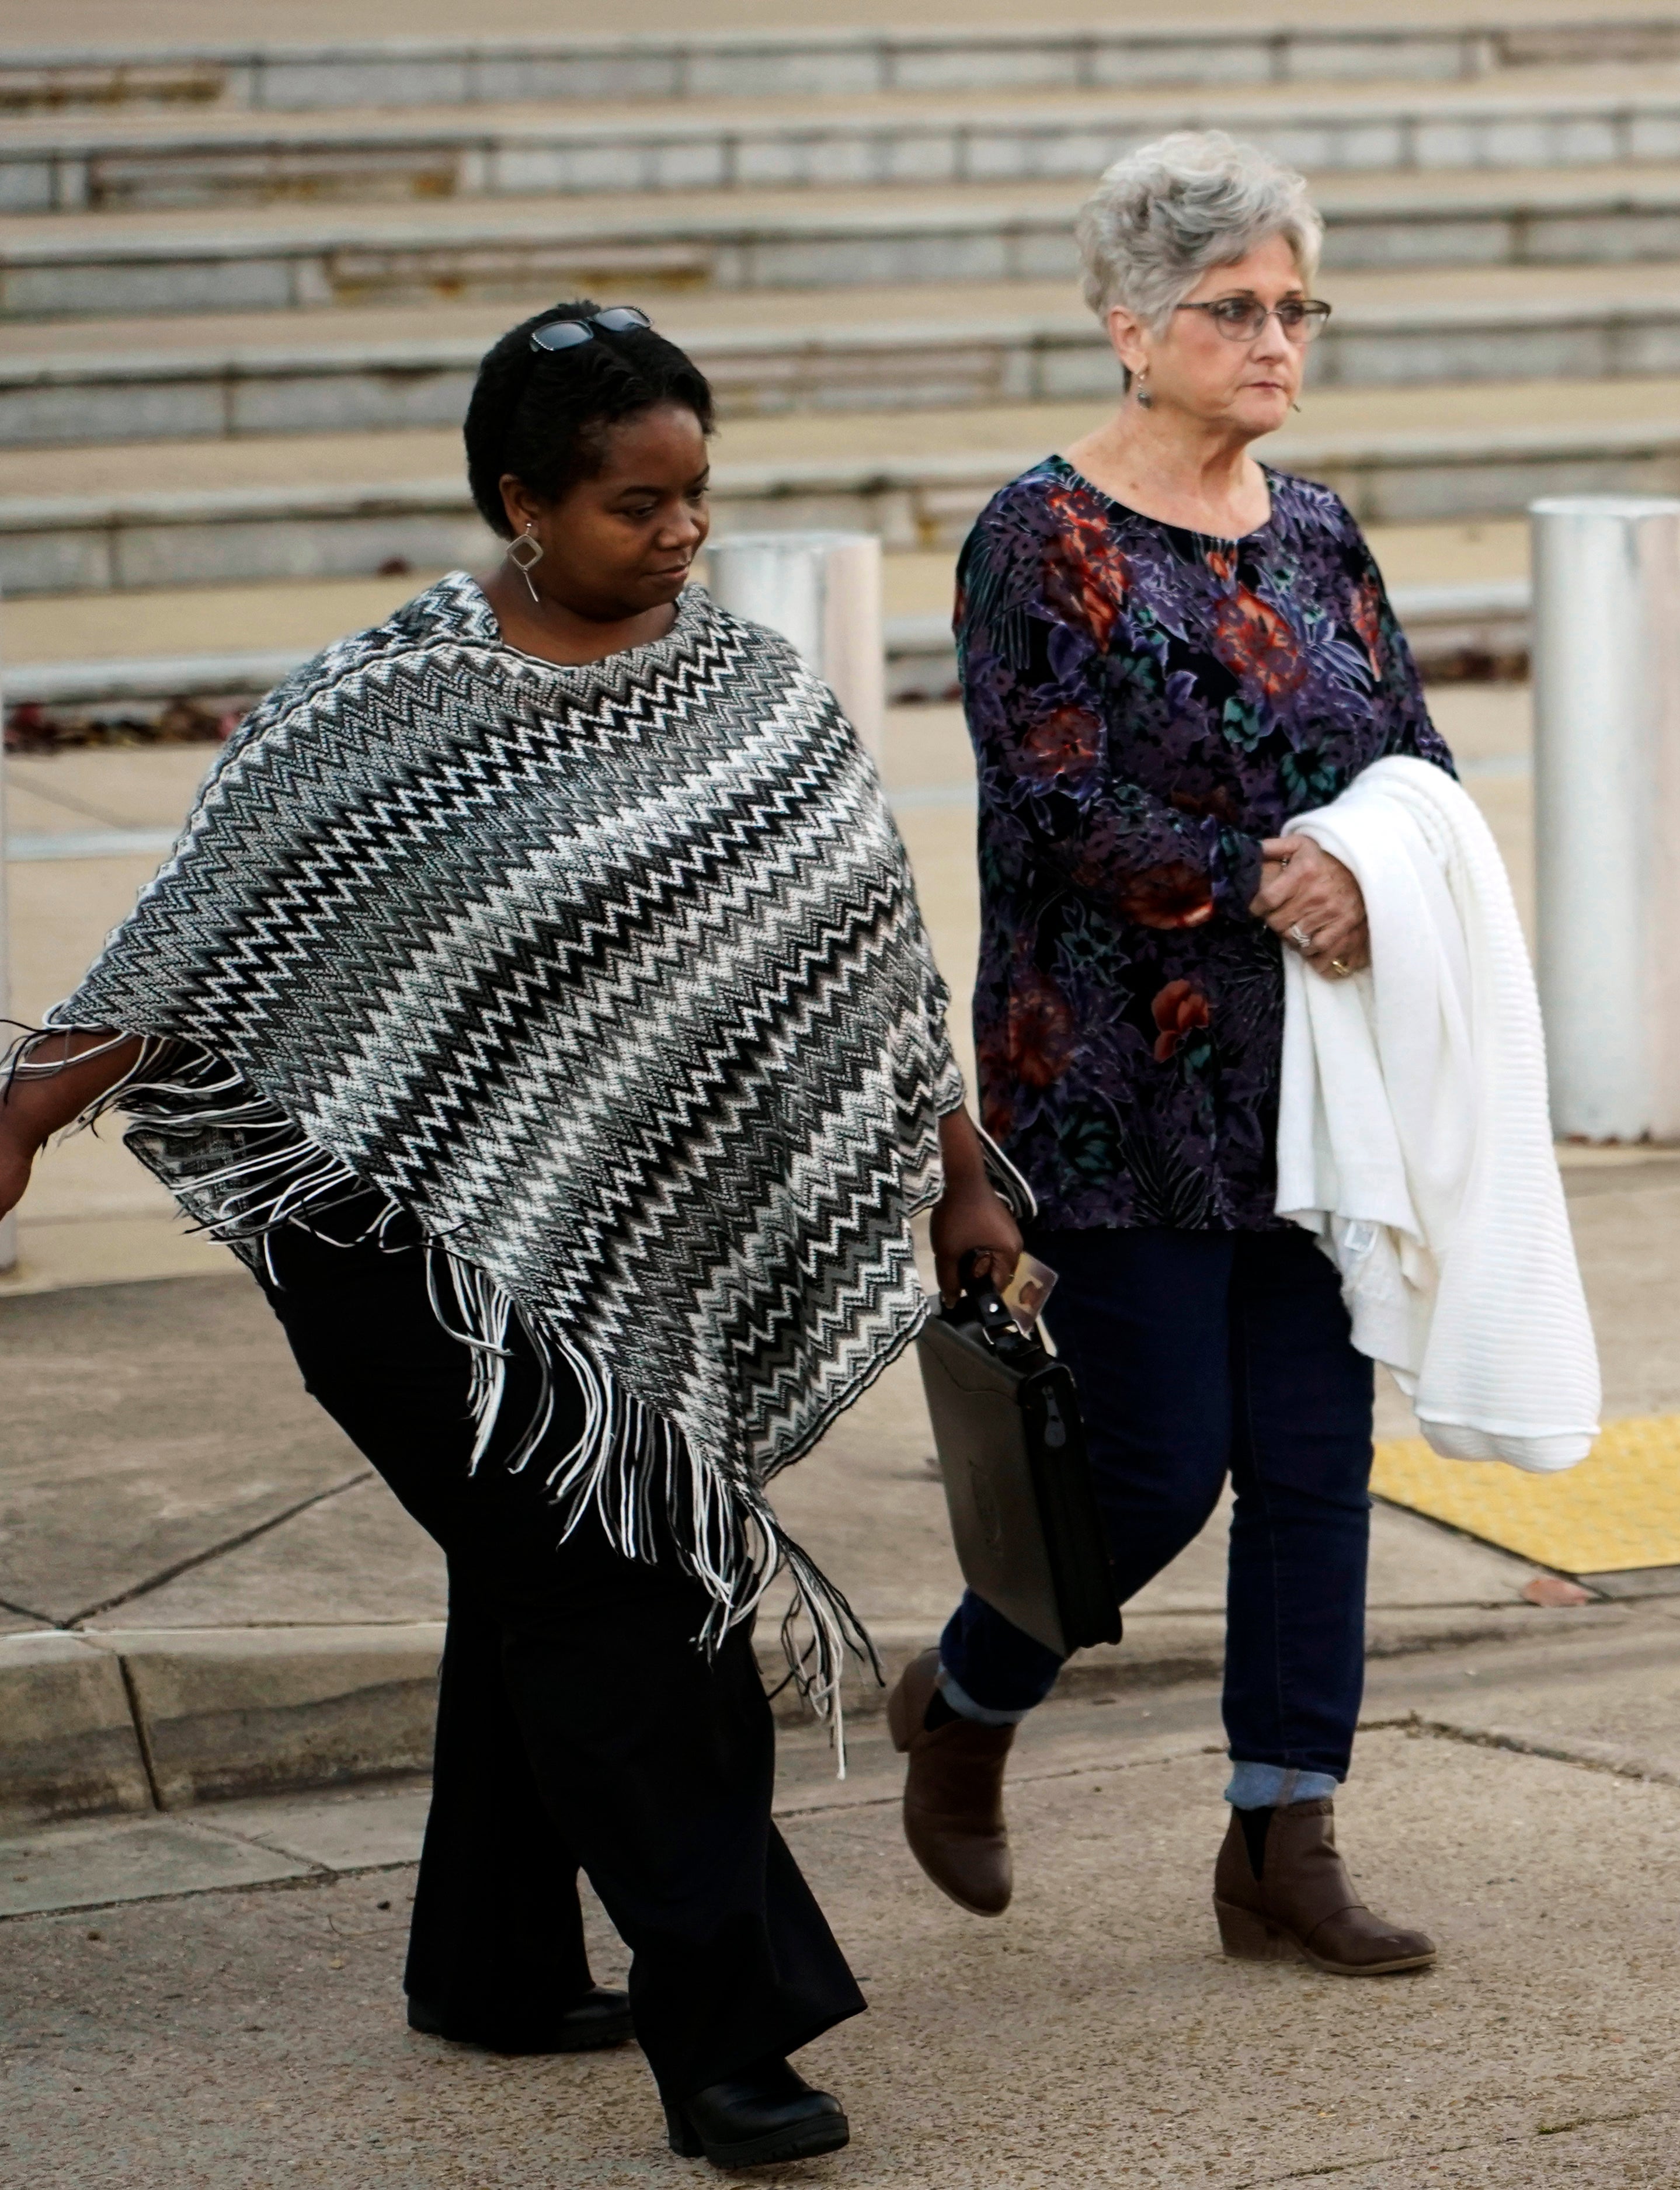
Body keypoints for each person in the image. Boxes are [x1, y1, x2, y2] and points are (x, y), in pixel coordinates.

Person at [0, 301, 1022, 2170]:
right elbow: (193, 931)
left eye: (698, 494)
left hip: (639, 1258)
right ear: (520, 503)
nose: (682, 532)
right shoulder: (377, 707)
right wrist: (23, 1109)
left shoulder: (751, 687)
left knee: (549, 1578)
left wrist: (961, 1176)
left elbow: (875, 965)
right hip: (399, 1250)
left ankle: (487, 1961)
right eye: (639, 502)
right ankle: (730, 2032)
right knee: (623, 1598)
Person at [888, 131, 1450, 1978]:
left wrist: (1382, 876)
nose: (1277, 339)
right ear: (1130, 327)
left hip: (1316, 1079)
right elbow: (1049, 805)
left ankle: (1283, 1843)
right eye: (1236, 309)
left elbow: (1415, 763)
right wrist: (1271, 880)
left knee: (1311, 1461)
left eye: (1299, 308)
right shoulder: (1036, 536)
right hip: (1112, 1078)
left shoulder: (1318, 529)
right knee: (1147, 1468)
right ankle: (968, 1701)